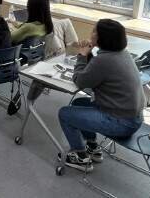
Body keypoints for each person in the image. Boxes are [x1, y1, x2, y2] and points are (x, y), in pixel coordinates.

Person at [58, 19, 144, 172]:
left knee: (64, 114)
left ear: (102, 38)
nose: (91, 33)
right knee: (79, 103)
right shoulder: (121, 53)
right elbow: (97, 72)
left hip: (121, 122)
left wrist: (81, 55)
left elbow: (80, 80)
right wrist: (89, 52)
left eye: (93, 31)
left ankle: (81, 158)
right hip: (132, 117)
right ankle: (92, 147)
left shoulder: (104, 60)